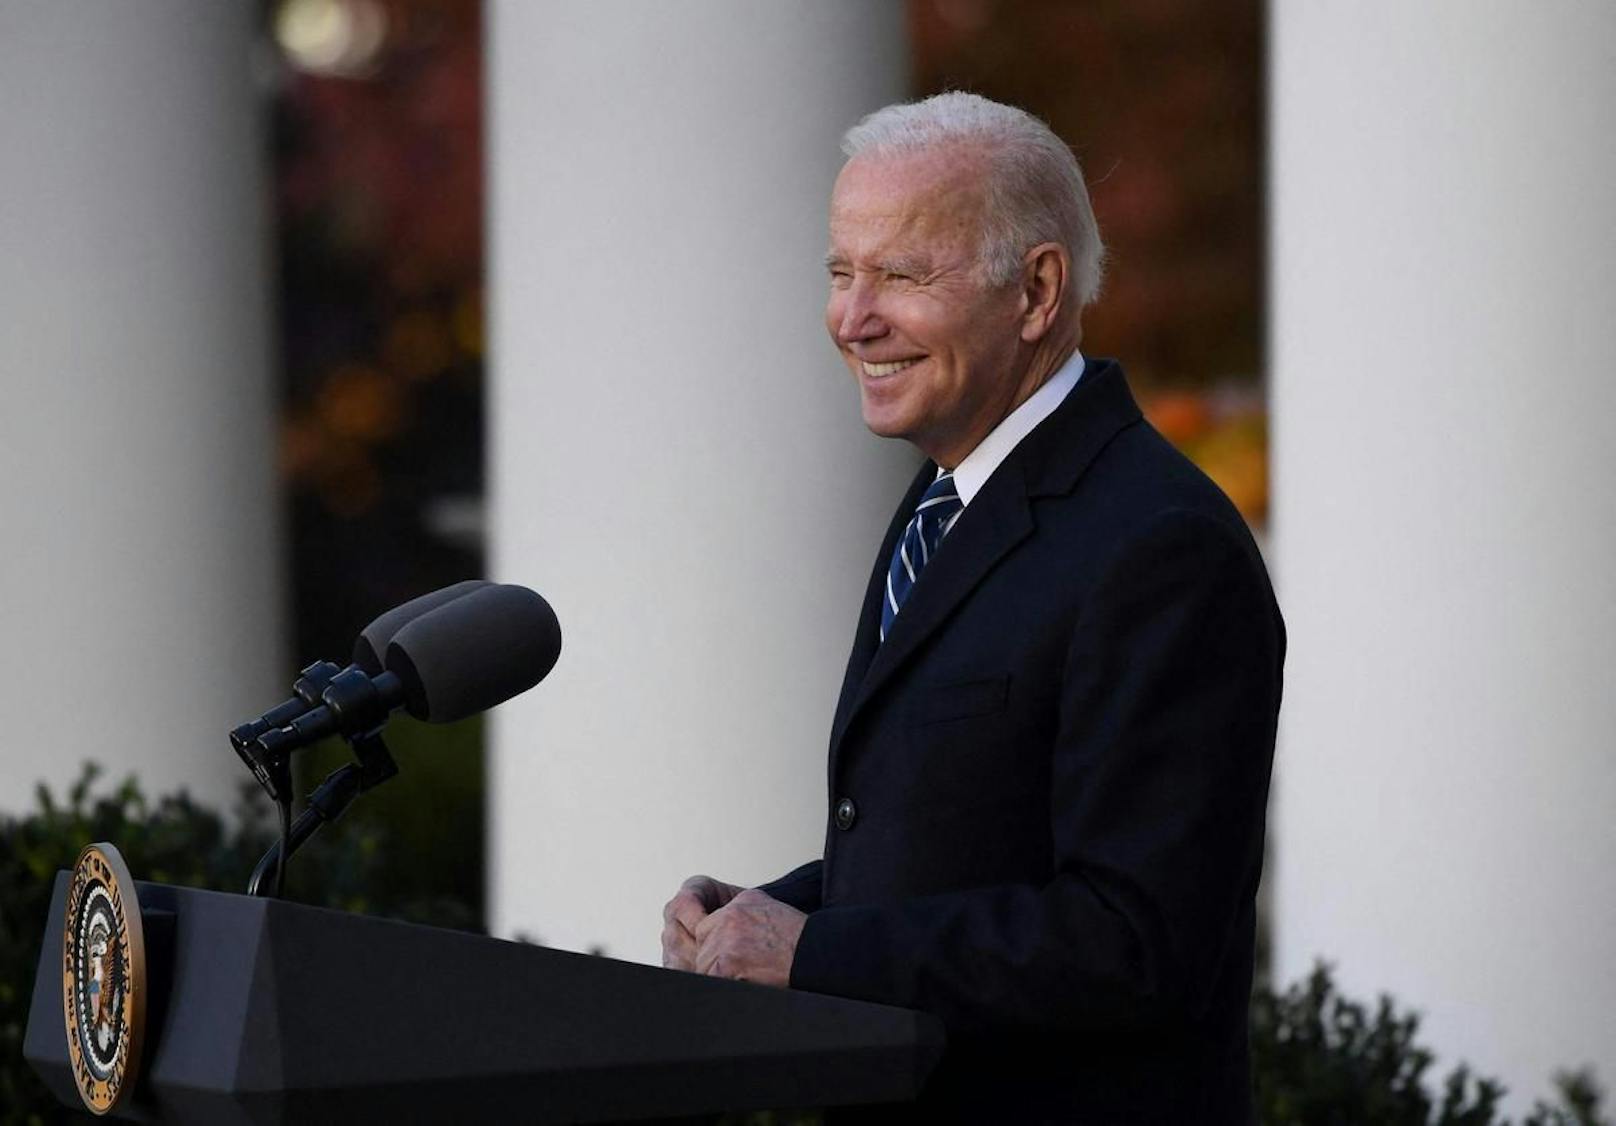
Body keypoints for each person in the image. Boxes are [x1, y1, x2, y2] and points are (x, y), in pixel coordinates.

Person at [661, 92, 1284, 1124]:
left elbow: (1130, 938)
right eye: (838, 271)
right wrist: (772, 914)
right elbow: (961, 842)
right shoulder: (944, 499)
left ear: (1035, 291)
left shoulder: (1159, 544)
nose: (850, 318)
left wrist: (814, 950)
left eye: (898, 275)